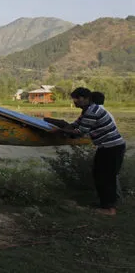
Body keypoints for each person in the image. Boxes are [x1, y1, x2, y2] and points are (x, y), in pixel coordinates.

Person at [60, 87, 126, 216]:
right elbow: (75, 124)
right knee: (99, 174)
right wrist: (63, 126)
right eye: (74, 99)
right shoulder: (87, 110)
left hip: (111, 147)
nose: (75, 102)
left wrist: (60, 131)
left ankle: (109, 209)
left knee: (106, 177)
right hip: (107, 147)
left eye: (77, 99)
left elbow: (80, 132)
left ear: (85, 99)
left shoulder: (92, 111)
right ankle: (106, 204)